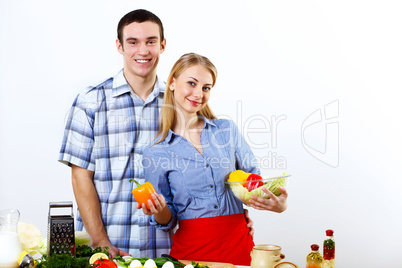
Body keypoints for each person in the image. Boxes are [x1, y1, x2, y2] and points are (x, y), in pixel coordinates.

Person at [141, 53, 288, 265]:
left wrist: (277, 204)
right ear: (172, 83)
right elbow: (167, 220)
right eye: (191, 83)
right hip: (190, 253)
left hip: (238, 245)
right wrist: (159, 210)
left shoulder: (227, 131)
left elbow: (253, 183)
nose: (198, 93)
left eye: (206, 87)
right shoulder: (155, 152)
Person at [58, 9, 171, 258]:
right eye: (133, 42)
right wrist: (100, 241)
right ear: (119, 46)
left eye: (151, 41)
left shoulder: (179, 104)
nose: (143, 51)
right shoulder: (91, 101)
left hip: (167, 250)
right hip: (106, 250)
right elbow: (80, 178)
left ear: (162, 45)